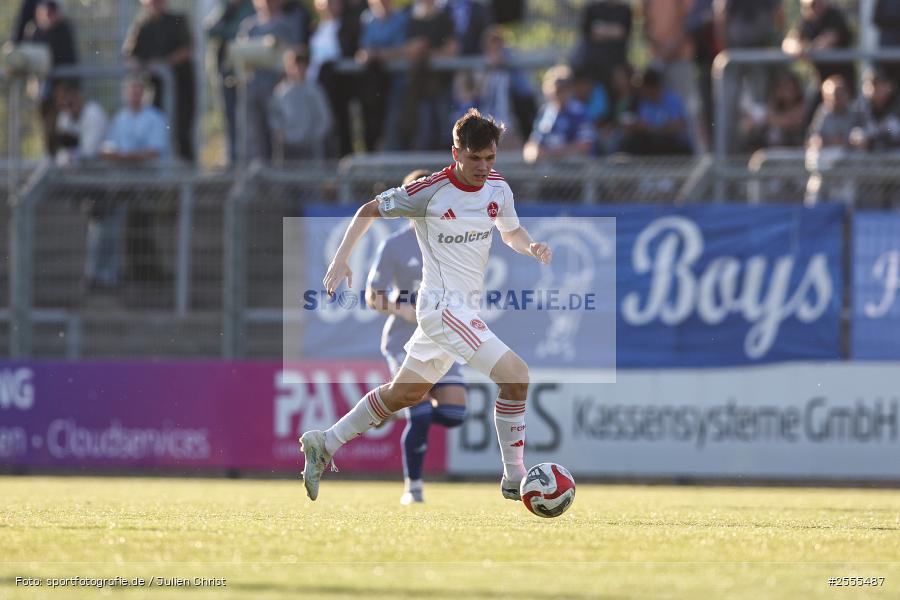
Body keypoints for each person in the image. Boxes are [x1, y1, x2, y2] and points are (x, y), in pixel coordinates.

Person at [300, 108, 552, 503]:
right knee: (517, 377)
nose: (483, 167)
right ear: (456, 152)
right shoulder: (429, 191)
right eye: (474, 158)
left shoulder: (499, 188)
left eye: (490, 158)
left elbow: (510, 231)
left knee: (402, 395)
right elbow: (368, 209)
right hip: (441, 308)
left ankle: (325, 442)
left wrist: (530, 245)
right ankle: (515, 477)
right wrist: (341, 259)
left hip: (462, 310)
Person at [365, 169, 469, 505]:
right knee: (421, 413)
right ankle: (414, 487)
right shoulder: (394, 244)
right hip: (404, 340)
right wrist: (399, 307)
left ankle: (393, 407)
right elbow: (372, 294)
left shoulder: (453, 237)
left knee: (455, 414)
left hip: (441, 337)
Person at [99, 77, 171, 286]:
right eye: (131, 91)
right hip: (124, 183)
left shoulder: (155, 118)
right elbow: (110, 146)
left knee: (139, 226)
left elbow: (154, 152)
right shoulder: (120, 118)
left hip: (149, 185)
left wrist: (124, 157)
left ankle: (149, 274)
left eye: (138, 91)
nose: (134, 96)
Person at [123, 0, 196, 163]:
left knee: (181, 130)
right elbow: (129, 54)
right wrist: (137, 63)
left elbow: (187, 49)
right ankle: (161, 176)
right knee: (158, 129)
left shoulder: (178, 20)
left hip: (181, 88)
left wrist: (164, 64)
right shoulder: (142, 25)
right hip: (155, 89)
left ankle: (187, 177)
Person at [237, 0, 304, 161]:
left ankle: (279, 178)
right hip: (253, 88)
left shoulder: (286, 24)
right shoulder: (250, 26)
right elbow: (241, 55)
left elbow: (295, 53)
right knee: (255, 134)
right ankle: (258, 174)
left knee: (277, 134)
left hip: (277, 89)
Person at [24, 0, 78, 157]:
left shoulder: (63, 30)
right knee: (46, 126)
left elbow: (66, 58)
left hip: (61, 88)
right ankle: (50, 158)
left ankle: (60, 159)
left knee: (61, 126)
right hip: (43, 89)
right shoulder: (35, 31)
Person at [206, 0, 256, 164]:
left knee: (248, 119)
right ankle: (233, 161)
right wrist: (228, 28)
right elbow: (210, 29)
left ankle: (249, 161)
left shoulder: (252, 6)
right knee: (230, 118)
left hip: (248, 73)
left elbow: (243, 33)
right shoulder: (226, 8)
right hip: (227, 71)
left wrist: (227, 31)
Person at [267, 48, 333, 161]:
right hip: (288, 146)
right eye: (294, 65)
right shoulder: (281, 91)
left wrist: (315, 137)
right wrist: (279, 132)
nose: (298, 69)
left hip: (310, 146)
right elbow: (274, 115)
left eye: (302, 65)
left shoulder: (315, 91)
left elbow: (324, 118)